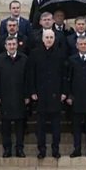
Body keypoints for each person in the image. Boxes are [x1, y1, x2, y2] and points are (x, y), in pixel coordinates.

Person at [30, 29, 66, 159]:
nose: (49, 39)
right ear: (42, 39)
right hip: (40, 94)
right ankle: (42, 150)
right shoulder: (35, 53)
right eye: (47, 37)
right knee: (40, 126)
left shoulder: (60, 53)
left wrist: (64, 92)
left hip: (56, 94)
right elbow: (31, 74)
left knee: (56, 126)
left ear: (54, 39)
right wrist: (32, 91)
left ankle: (55, 149)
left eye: (51, 37)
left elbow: (64, 75)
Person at [0, 37, 29, 158]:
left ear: (17, 45)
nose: (12, 46)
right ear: (5, 46)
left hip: (20, 97)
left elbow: (28, 79)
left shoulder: (24, 58)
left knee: (20, 125)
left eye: (14, 44)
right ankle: (7, 149)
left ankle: (19, 148)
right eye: (9, 44)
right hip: (5, 97)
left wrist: (27, 95)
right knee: (6, 126)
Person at [65, 35, 86, 158]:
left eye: (85, 44)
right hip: (76, 97)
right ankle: (77, 148)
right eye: (81, 44)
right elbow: (68, 79)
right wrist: (69, 95)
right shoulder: (72, 59)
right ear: (77, 46)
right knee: (76, 125)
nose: (83, 46)